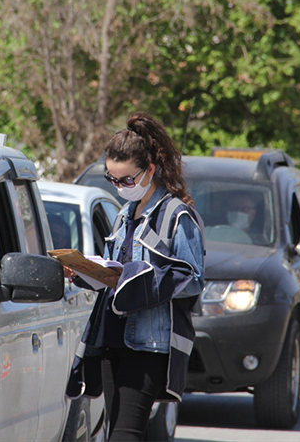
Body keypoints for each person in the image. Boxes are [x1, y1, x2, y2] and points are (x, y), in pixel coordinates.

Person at [65, 112, 205, 441]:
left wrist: (139, 278)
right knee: (121, 432)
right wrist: (84, 272)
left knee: (125, 435)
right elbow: (113, 275)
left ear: (150, 170)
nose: (120, 187)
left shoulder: (177, 215)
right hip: (112, 341)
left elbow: (194, 279)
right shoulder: (123, 215)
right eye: (112, 180)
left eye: (127, 179)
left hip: (148, 346)